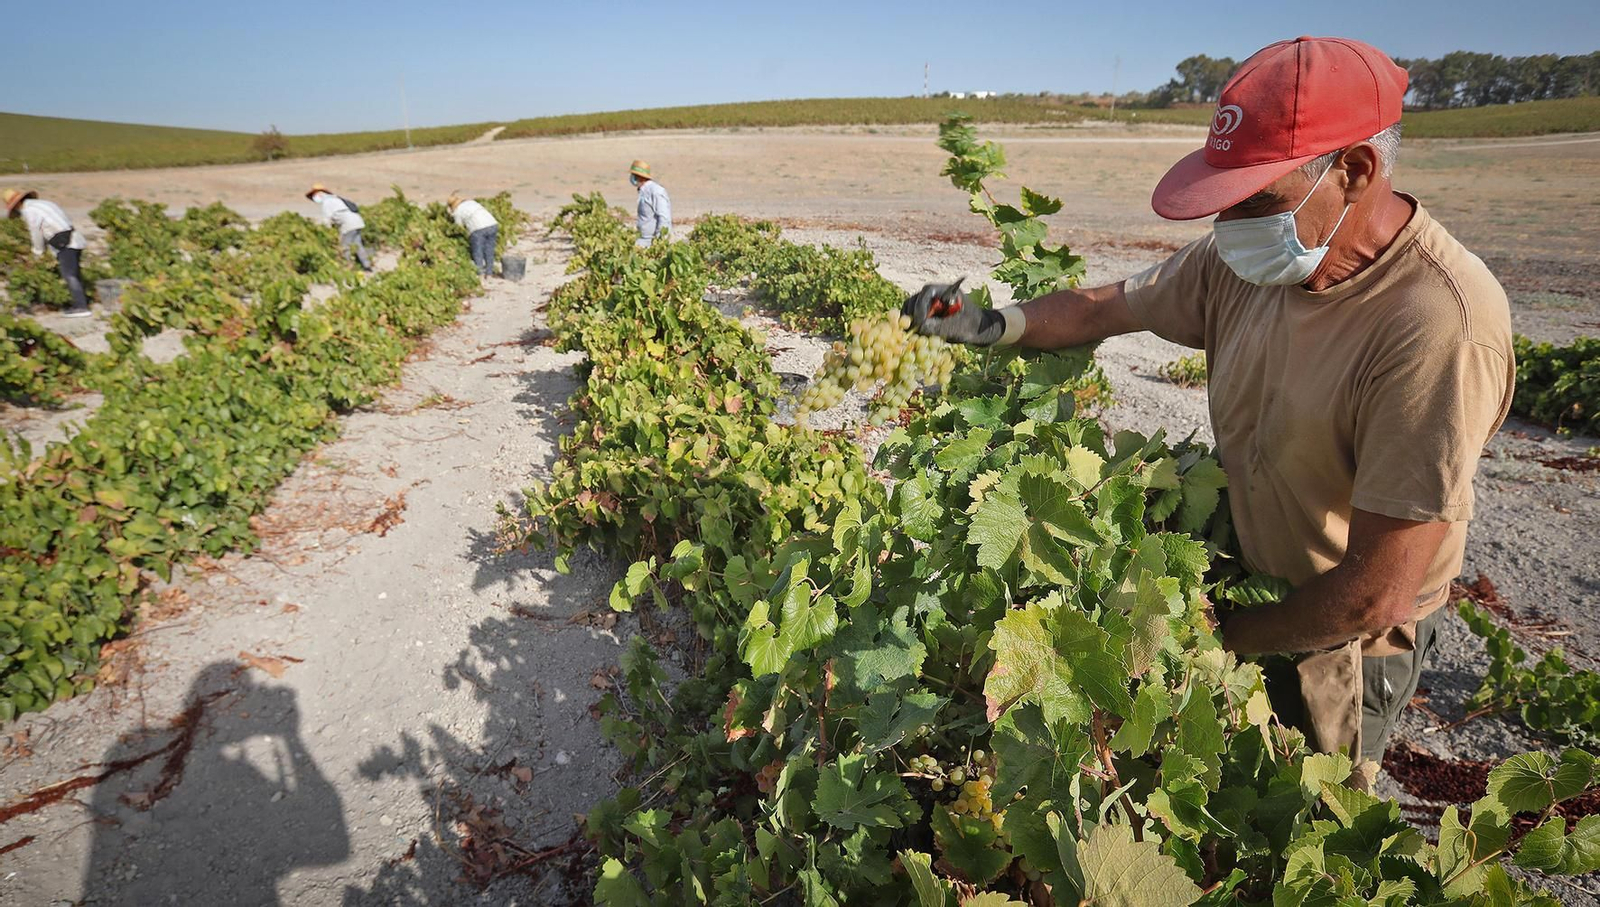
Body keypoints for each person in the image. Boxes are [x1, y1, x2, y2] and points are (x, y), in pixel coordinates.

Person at [903, 36, 1513, 785]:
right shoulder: (1244, 262)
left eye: (1255, 200)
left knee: (1300, 825)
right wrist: (989, 324)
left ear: (1354, 172)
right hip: (1251, 582)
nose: (1229, 226)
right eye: (1224, 202)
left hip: (1340, 639)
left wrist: (1223, 636)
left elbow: (1373, 591)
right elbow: (1103, 306)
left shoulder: (1437, 325)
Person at [5, 188, 91, 316]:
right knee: (75, 273)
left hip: (65, 242)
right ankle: (82, 301)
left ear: (17, 204)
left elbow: (36, 232)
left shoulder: (29, 211)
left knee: (69, 275)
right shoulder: (44, 203)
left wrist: (37, 253)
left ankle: (81, 307)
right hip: (75, 237)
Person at [305, 183, 372, 271]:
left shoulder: (327, 202)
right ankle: (367, 266)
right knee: (358, 245)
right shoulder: (335, 198)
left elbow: (327, 220)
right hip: (357, 221)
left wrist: (326, 232)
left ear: (320, 194)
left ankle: (348, 266)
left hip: (348, 225)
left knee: (345, 246)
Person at [448, 194, 499, 277]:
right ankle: (489, 273)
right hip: (492, 224)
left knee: (477, 251)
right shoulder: (471, 202)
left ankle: (480, 273)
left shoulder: (458, 211)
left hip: (478, 228)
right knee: (489, 249)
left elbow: (459, 227)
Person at [630, 160, 671, 247]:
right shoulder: (643, 191)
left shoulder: (656, 191)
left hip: (651, 241)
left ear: (640, 177)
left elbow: (664, 217)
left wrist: (659, 241)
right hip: (642, 239)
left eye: (634, 175)